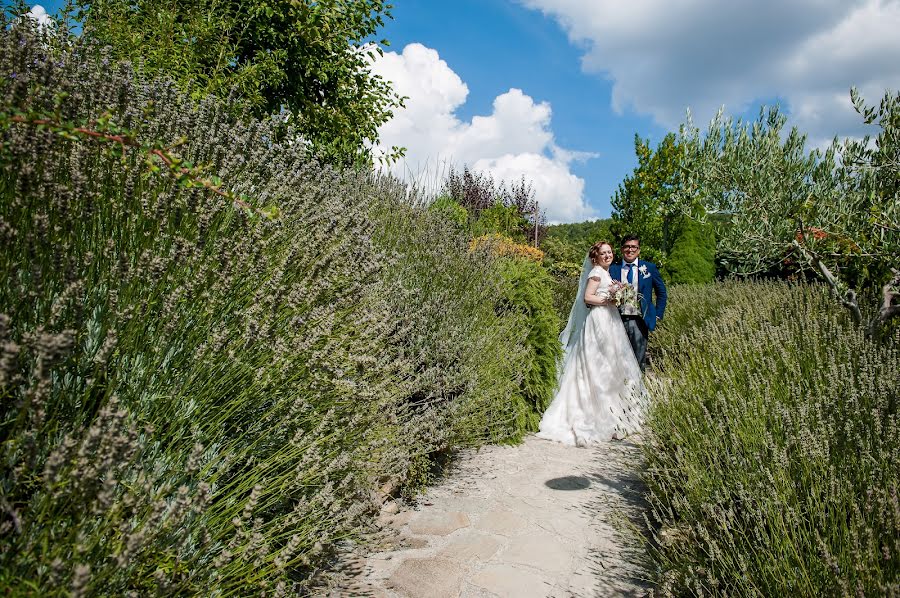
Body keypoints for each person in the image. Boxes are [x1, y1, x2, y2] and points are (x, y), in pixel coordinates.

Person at [537, 241, 646, 446]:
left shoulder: (605, 272)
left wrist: (616, 296)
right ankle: (596, 415)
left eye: (609, 252)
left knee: (611, 363)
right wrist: (609, 300)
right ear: (595, 258)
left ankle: (614, 414)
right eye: (603, 253)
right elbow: (588, 298)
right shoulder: (596, 272)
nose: (607, 255)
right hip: (599, 320)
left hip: (610, 320)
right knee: (599, 362)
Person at [608, 235, 667, 371]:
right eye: (627, 246)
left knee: (638, 360)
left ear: (639, 250)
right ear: (622, 249)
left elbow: (662, 293)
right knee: (616, 358)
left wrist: (658, 314)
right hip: (616, 319)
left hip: (640, 320)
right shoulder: (613, 269)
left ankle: (638, 391)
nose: (630, 249)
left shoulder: (649, 268)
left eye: (633, 247)